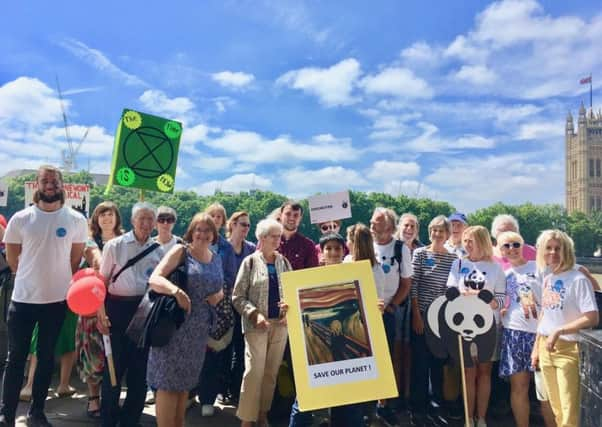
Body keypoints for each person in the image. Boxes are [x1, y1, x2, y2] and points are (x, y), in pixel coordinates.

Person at [0, 165, 88, 427]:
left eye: (55, 180)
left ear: (62, 185)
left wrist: (56, 280)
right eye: (45, 180)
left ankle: (37, 412)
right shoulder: (21, 218)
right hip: (23, 300)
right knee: (15, 358)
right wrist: (31, 277)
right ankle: (6, 413)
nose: (50, 184)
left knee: (47, 356)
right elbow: (13, 258)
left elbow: (75, 259)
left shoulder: (75, 219)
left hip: (56, 302)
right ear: (37, 185)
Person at [147, 213, 224, 427]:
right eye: (198, 229)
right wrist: (176, 292)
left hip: (198, 332)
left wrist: (218, 296)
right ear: (191, 231)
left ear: (214, 234)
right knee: (167, 384)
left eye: (208, 230)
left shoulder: (215, 257)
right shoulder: (181, 251)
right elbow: (155, 279)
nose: (203, 234)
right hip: (175, 327)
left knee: (184, 386)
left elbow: (220, 288)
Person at [97, 202, 164, 427]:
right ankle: (107, 420)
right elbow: (101, 283)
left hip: (145, 313)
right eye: (141, 218)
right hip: (116, 311)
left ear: (154, 223)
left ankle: (130, 420)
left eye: (149, 219)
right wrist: (100, 315)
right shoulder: (115, 246)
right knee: (113, 370)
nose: (145, 223)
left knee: (139, 372)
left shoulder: (160, 251)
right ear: (133, 220)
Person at [531, 230, 599, 427]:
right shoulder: (548, 278)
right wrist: (537, 346)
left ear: (566, 251)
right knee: (557, 408)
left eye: (557, 248)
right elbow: (545, 313)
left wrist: (559, 330)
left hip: (568, 349)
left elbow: (592, 316)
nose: (552, 253)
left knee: (569, 410)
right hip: (546, 347)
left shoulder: (578, 279)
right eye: (548, 248)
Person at [232, 218, 291, 427]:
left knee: (270, 373)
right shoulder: (249, 262)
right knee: (253, 373)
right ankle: (247, 419)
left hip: (280, 326)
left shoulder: (283, 262)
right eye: (274, 236)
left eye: (279, 236)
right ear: (262, 238)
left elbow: (292, 292)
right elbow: (237, 296)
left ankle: (262, 414)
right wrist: (254, 314)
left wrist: (288, 309)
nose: (278, 240)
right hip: (256, 326)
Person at [446, 225, 505, 427]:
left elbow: (501, 300)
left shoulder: (496, 268)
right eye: (465, 240)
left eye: (471, 240)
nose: (467, 244)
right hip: (464, 327)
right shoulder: (458, 263)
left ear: (482, 241)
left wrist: (478, 296)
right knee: (468, 373)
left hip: (488, 327)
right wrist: (474, 296)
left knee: (484, 372)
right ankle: (468, 418)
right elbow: (451, 292)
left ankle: (481, 418)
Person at [77, 201, 123, 419]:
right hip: (93, 306)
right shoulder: (90, 242)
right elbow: (96, 260)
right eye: (102, 215)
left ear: (117, 218)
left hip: (119, 304)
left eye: (110, 214)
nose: (106, 218)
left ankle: (111, 398)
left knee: (116, 356)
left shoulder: (125, 240)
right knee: (93, 354)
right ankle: (93, 398)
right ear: (96, 219)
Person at [409, 215, 457, 427]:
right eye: (434, 230)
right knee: (420, 364)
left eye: (441, 230)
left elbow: (453, 291)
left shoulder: (454, 259)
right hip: (421, 318)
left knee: (438, 364)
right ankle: (418, 407)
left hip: (442, 321)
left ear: (447, 234)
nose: (437, 234)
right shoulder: (419, 254)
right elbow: (413, 286)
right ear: (429, 232)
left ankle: (437, 404)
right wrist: (417, 316)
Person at [370, 207, 412, 427]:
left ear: (388, 227)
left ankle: (384, 404)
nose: (371, 224)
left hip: (387, 313)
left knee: (386, 358)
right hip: (365, 313)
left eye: (375, 222)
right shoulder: (365, 243)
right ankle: (367, 403)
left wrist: (391, 307)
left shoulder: (400, 248)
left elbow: (406, 283)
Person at [198, 202, 237, 416]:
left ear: (223, 221)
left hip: (218, 303)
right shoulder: (193, 240)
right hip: (195, 303)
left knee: (212, 353)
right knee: (193, 351)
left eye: (219, 217)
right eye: (211, 215)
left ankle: (207, 399)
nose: (215, 219)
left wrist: (215, 294)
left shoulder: (226, 248)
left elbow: (230, 277)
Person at [496, 231, 539, 427]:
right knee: (519, 387)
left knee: (544, 389)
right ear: (500, 249)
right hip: (514, 332)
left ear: (523, 246)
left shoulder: (539, 267)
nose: (511, 249)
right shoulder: (503, 276)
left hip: (540, 334)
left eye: (515, 244)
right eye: (506, 246)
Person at [226, 211, 257, 405]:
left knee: (240, 348)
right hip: (223, 306)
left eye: (248, 225)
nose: (245, 228)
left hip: (243, 306)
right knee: (222, 350)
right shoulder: (222, 247)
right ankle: (219, 389)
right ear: (233, 224)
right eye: (242, 224)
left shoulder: (252, 249)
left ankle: (235, 390)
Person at [393, 213, 422, 408]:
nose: (409, 229)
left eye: (413, 226)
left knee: (410, 351)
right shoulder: (392, 248)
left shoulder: (420, 251)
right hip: (395, 303)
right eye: (406, 225)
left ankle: (408, 394)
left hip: (415, 305)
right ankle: (394, 393)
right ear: (398, 227)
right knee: (396, 349)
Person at [278, 201, 319, 270]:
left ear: (300, 218)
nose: (292, 218)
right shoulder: (267, 240)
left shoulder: (308, 245)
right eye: (288, 214)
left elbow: (313, 274)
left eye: (296, 215)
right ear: (280, 215)